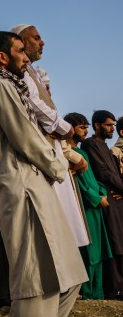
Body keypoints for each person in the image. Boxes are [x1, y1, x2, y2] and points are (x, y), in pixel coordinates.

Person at [0, 31, 87, 317]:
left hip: (36, 184)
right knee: (36, 279)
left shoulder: (13, 88)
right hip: (22, 188)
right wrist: (60, 165)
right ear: (2, 57)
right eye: (19, 51)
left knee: (67, 276)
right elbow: (25, 135)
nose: (27, 57)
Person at [11, 24, 90, 248]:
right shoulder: (20, 73)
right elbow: (35, 105)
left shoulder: (35, 72)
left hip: (53, 150)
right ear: (21, 42)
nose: (42, 42)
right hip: (41, 154)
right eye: (36, 38)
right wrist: (65, 127)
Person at [64, 112, 112, 299]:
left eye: (86, 127)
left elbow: (93, 178)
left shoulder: (81, 152)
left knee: (99, 252)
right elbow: (79, 185)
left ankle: (97, 295)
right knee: (88, 251)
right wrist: (96, 198)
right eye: (81, 127)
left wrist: (102, 193)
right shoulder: (67, 152)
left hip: (97, 207)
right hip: (84, 208)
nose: (85, 131)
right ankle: (85, 294)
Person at [81, 110, 123, 299]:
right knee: (113, 244)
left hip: (116, 199)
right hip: (105, 201)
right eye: (108, 125)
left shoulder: (106, 147)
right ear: (97, 125)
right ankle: (114, 289)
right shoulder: (90, 144)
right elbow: (103, 172)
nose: (112, 128)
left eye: (113, 125)